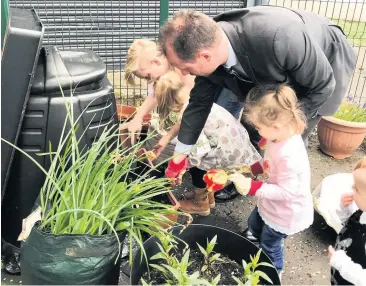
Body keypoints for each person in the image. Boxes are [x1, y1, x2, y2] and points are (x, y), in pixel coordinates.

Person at [158, 7, 357, 189]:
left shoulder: (279, 37)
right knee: (256, 124)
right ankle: (252, 183)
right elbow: (199, 105)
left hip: (322, 62)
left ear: (205, 56)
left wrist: (281, 126)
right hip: (272, 67)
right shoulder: (209, 49)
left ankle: (288, 200)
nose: (183, 74)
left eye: (185, 67)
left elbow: (322, 86)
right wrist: (180, 155)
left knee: (288, 143)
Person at [123, 38, 243, 201]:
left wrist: (179, 164)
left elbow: (193, 121)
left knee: (213, 142)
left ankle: (207, 195)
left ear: (157, 62)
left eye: (148, 77)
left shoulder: (186, 70)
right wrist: (139, 118)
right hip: (201, 102)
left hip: (232, 82)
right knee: (197, 145)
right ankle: (206, 192)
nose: (150, 81)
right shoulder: (165, 72)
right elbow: (171, 107)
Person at [140, 71, 262, 215]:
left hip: (225, 149)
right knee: (198, 164)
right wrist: (167, 138)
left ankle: (200, 203)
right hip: (227, 139)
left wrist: (182, 165)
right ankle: (209, 196)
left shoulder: (191, 117)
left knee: (198, 168)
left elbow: (199, 150)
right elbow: (182, 122)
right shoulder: (191, 101)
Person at [224, 84, 314, 277]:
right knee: (254, 220)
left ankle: (274, 270)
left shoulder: (290, 155)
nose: (257, 131)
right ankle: (252, 237)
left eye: (258, 128)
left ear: (275, 127)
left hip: (286, 211)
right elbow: (270, 163)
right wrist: (255, 168)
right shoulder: (278, 137)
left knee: (270, 242)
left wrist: (252, 186)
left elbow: (287, 192)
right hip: (271, 203)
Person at [328, 156, 366, 285]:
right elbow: (346, 225)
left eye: (357, 188)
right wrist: (345, 208)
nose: (352, 187)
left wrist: (340, 263)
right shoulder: (363, 211)